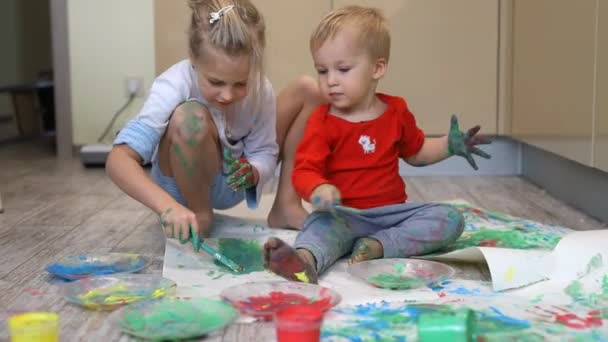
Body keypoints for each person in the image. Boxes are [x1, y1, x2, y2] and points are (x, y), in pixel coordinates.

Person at [263, 5, 491, 284]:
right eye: (322, 71)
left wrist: (448, 146)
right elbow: (304, 171)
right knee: (317, 232)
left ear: (377, 68)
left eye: (343, 69)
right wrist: (318, 189)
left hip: (392, 215)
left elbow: (416, 152)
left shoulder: (396, 111)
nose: (330, 81)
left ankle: (379, 245)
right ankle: (304, 262)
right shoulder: (322, 121)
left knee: (450, 218)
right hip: (342, 216)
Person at [106, 0, 278, 250]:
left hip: (229, 188)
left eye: (241, 83)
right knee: (189, 118)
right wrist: (167, 207)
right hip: (179, 190)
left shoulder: (262, 89)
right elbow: (117, 160)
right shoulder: (173, 84)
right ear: (194, 59)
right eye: (216, 82)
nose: (228, 95)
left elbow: (265, 151)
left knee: (305, 90)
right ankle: (200, 214)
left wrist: (254, 170)